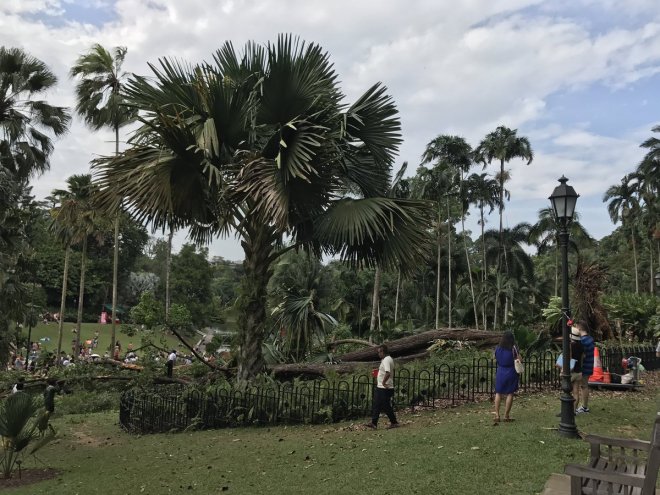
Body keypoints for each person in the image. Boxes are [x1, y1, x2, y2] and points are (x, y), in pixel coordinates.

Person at [364, 344, 399, 430]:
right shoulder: (386, 359)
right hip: (381, 387)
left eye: (379, 352)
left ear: (383, 352)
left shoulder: (386, 360)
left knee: (385, 406)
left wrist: (383, 382)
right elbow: (384, 371)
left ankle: (394, 422)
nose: (378, 354)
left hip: (385, 388)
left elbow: (388, 372)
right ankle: (374, 423)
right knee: (377, 405)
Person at [494, 331, 519, 423]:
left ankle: (496, 414)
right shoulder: (513, 348)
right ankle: (506, 415)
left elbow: (495, 358)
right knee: (510, 393)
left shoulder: (498, 348)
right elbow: (519, 359)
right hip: (511, 371)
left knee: (498, 393)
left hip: (500, 371)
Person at [575, 320, 594, 414]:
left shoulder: (583, 341)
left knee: (583, 386)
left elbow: (582, 355)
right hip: (589, 364)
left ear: (579, 328)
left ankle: (584, 407)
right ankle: (584, 406)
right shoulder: (590, 339)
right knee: (584, 385)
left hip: (584, 366)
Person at [569, 327, 584, 411]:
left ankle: (567, 410)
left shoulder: (570, 345)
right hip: (579, 371)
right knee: (576, 392)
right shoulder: (581, 346)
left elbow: (569, 358)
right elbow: (582, 359)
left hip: (571, 371)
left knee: (567, 392)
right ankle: (574, 410)